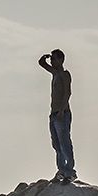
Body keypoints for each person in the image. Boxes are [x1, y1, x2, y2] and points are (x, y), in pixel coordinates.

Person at [38, 49, 77, 183]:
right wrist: (45, 57)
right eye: (51, 59)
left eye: (54, 59)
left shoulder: (64, 74)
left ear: (60, 60)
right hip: (53, 114)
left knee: (65, 143)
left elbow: (68, 93)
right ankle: (61, 171)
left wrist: (61, 110)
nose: (52, 61)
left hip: (62, 113)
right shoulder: (55, 73)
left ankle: (70, 172)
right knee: (56, 144)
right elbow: (41, 63)